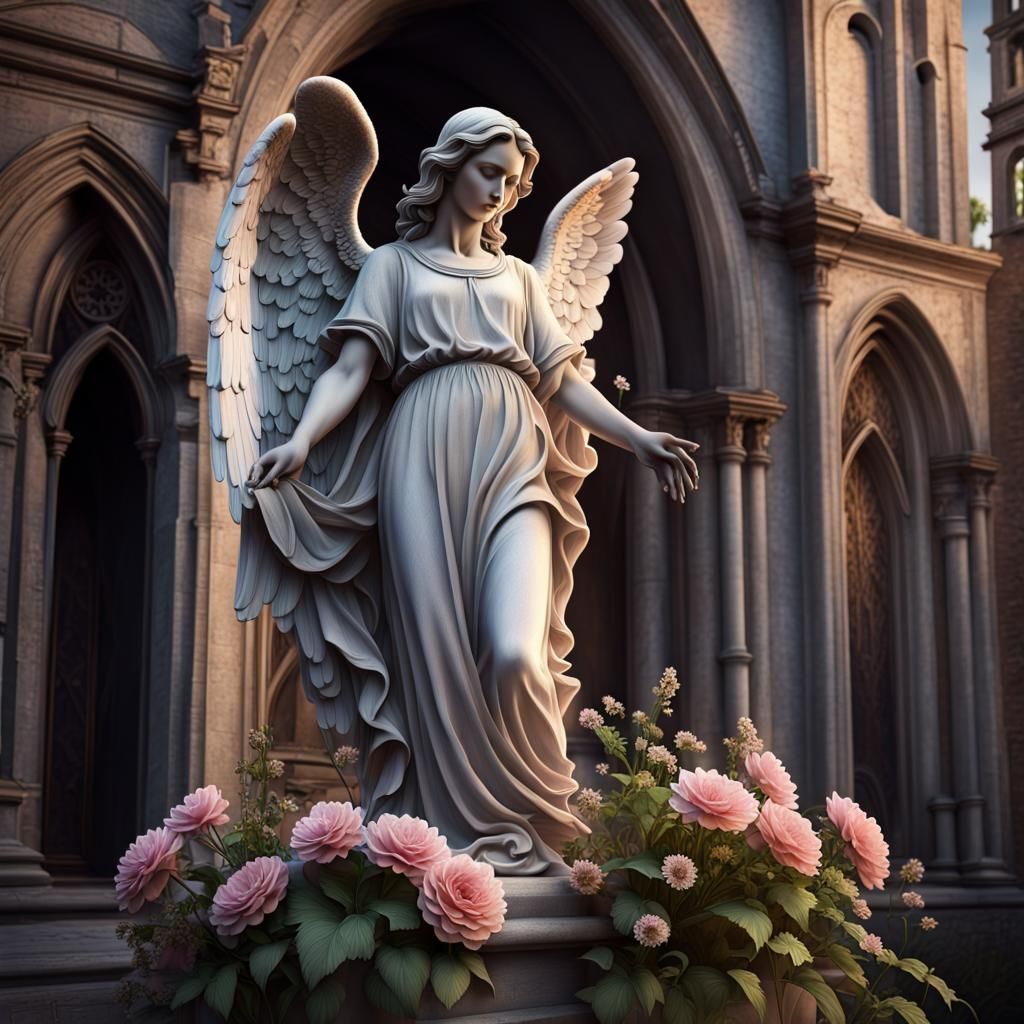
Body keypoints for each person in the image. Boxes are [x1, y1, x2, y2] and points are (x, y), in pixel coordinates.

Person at [247, 108, 698, 875]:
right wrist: (300, 439)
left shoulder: (520, 280)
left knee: (515, 650)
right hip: (419, 460)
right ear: (450, 165)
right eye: (491, 171)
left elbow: (564, 384)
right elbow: (351, 371)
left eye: (514, 181)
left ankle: (538, 826)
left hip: (514, 456)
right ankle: (445, 843)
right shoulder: (391, 268)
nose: (502, 190)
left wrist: (640, 437)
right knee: (434, 656)